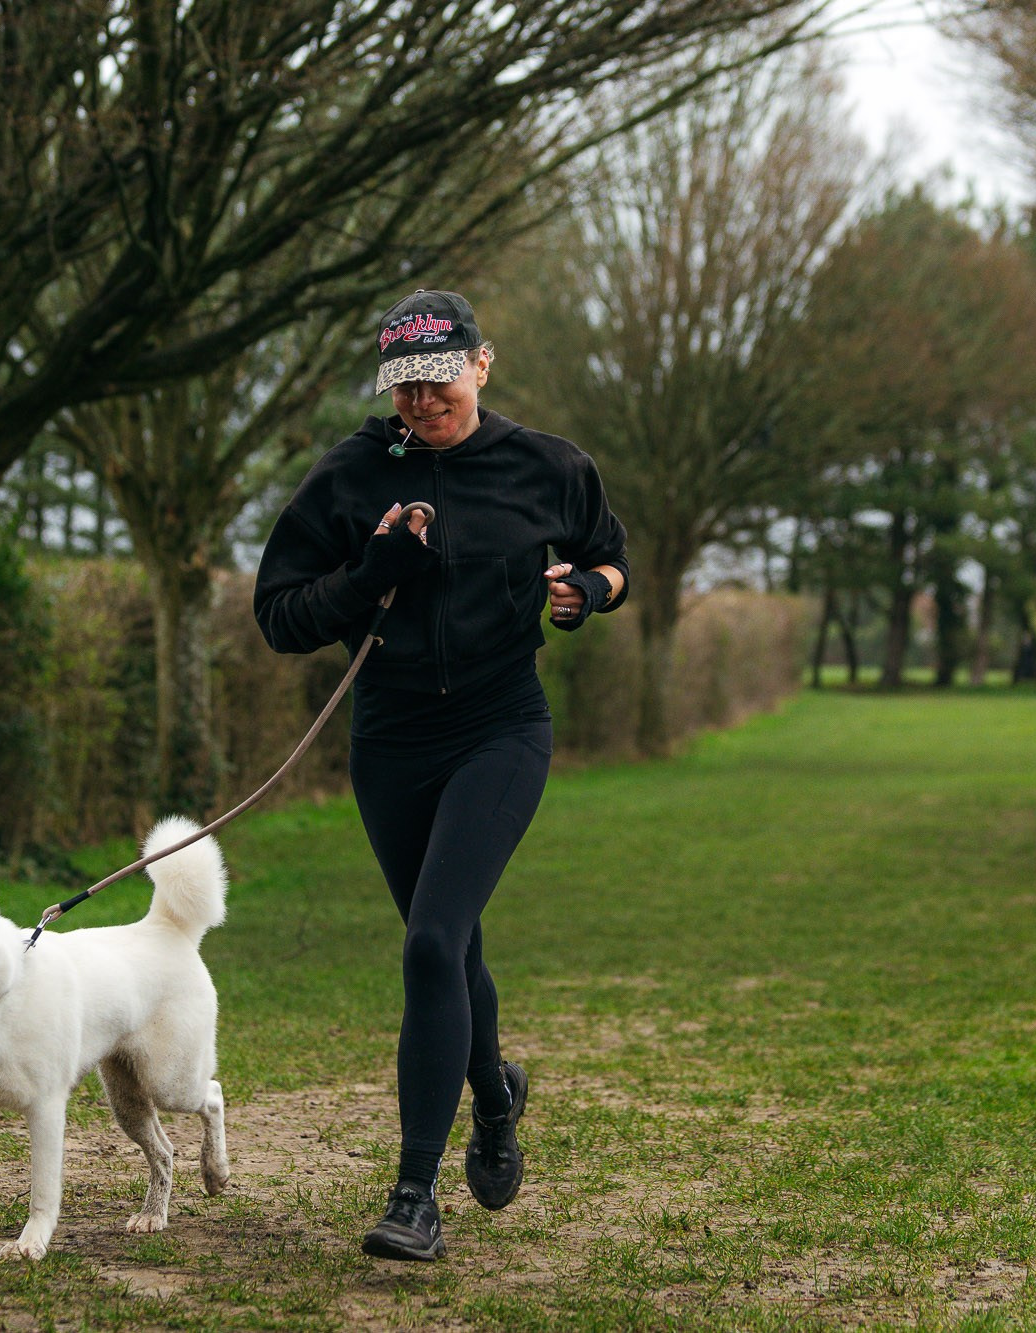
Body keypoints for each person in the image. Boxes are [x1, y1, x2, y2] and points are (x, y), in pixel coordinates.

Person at [253, 290, 630, 1262]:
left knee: (428, 942)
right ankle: (495, 1099)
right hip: (389, 742)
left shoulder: (546, 465)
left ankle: (413, 1196)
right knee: (450, 949)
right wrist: (371, 571)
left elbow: (609, 559)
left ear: (481, 364)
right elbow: (280, 616)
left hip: (500, 729)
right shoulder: (350, 474)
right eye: (405, 387)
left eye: (438, 380)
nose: (422, 401)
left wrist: (583, 593)